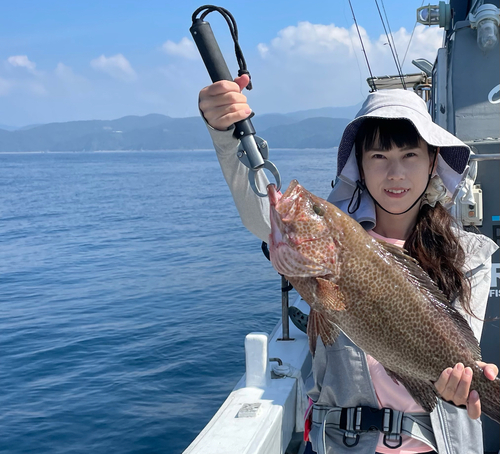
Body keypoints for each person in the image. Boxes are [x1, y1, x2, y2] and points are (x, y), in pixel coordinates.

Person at [198, 74, 499, 454]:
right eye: (378, 157)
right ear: (359, 164)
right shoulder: (335, 241)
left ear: (433, 161)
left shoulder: (469, 254)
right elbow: (260, 211)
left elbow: (455, 352)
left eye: (409, 155)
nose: (395, 173)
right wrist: (226, 133)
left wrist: (461, 388)